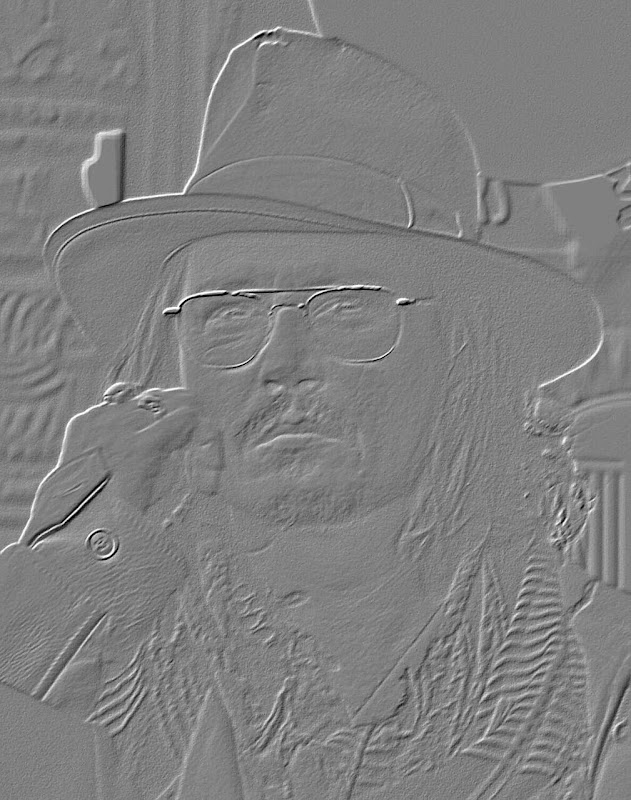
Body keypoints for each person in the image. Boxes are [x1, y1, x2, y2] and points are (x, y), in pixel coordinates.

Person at [0, 27, 611, 800]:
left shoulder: (607, 673)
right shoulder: (95, 648)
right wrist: (85, 560)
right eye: (228, 315)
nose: (281, 362)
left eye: (349, 309)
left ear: (461, 358)